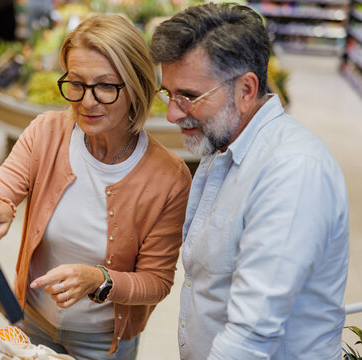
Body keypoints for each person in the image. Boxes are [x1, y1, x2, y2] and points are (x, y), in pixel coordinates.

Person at [0, 13, 192, 360]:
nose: (87, 101)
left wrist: (100, 279)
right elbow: (0, 190)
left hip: (103, 342)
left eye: (105, 86)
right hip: (31, 321)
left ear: (135, 87)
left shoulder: (169, 178)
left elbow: (156, 282)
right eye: (76, 83)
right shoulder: (47, 132)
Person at [149, 3, 350, 359]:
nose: (172, 113)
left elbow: (251, 335)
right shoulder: (224, 145)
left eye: (189, 96)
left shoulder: (292, 173)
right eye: (169, 93)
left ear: (245, 90)